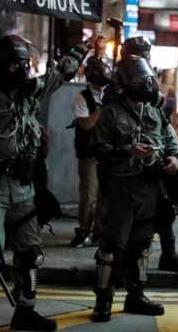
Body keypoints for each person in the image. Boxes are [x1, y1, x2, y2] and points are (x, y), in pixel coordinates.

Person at [0, 34, 82, 331]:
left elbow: (58, 75)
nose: (24, 70)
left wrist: (82, 49)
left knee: (31, 254)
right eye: (17, 64)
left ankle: (25, 311)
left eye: (25, 64)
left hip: (23, 185)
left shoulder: (29, 93)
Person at [90, 56, 178, 322]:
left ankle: (136, 296)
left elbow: (169, 140)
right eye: (141, 80)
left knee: (142, 245)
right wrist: (126, 150)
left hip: (149, 188)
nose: (147, 85)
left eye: (148, 79)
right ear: (125, 83)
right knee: (111, 248)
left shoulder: (153, 111)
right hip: (121, 188)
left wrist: (174, 159)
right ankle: (103, 300)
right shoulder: (110, 112)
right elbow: (97, 148)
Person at [70, 57, 111, 247]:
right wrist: (101, 110)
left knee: (105, 196)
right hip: (89, 154)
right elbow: (85, 124)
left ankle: (99, 233)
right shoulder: (82, 97)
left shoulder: (109, 94)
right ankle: (83, 232)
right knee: (89, 196)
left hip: (108, 154)